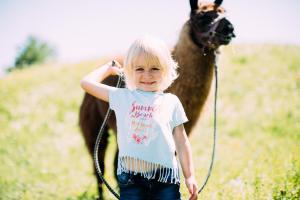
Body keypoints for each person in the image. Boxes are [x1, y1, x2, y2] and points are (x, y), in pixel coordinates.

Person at [80, 35, 198, 200]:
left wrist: (189, 175)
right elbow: (86, 82)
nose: (147, 75)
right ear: (129, 71)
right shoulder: (122, 97)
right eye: (139, 69)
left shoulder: (171, 102)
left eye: (155, 69)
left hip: (165, 179)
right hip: (131, 180)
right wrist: (108, 68)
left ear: (166, 70)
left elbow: (182, 141)